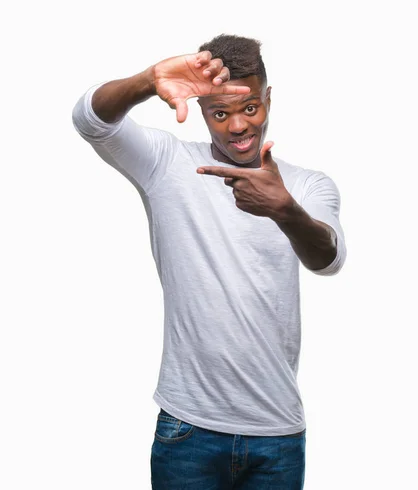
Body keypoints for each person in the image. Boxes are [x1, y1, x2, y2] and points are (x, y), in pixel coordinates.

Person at [72, 34, 346, 489]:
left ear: (268, 98)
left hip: (276, 434)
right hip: (189, 428)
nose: (238, 125)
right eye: (220, 113)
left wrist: (285, 209)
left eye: (250, 108)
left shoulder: (308, 185)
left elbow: (328, 259)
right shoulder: (167, 163)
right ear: (201, 109)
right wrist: (146, 81)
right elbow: (90, 121)